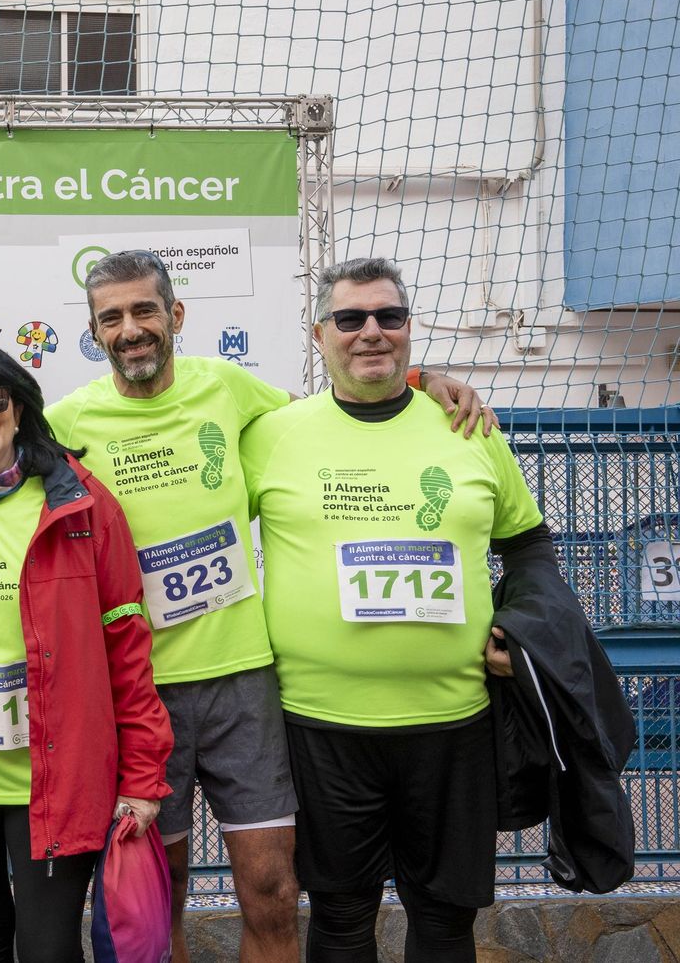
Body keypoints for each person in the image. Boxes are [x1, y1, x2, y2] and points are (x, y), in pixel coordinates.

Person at [45, 250, 496, 963]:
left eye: (144, 311)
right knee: (159, 902)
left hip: (244, 684)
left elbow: (338, 411)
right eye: (113, 317)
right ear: (95, 332)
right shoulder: (64, 424)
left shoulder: (229, 388)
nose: (131, 329)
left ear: (175, 316)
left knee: (272, 890)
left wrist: (422, 380)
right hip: (138, 692)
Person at [242, 257, 549, 963]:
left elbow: (530, 545)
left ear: (410, 331)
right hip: (322, 727)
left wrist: (522, 628)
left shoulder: (469, 428)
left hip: (455, 724)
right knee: (343, 917)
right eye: (350, 319)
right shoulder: (273, 435)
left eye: (390, 317)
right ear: (320, 335)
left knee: (444, 920)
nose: (371, 332)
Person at [0, 341, 173, 963]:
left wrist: (143, 774)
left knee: (48, 949)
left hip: (58, 780)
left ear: (19, 409)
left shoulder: (81, 503)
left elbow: (128, 647)